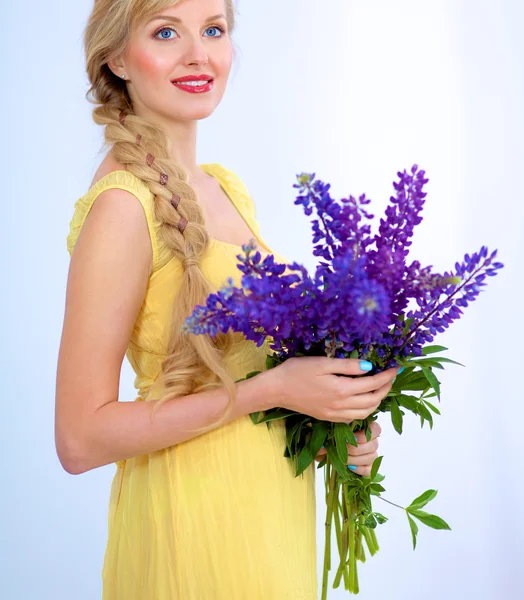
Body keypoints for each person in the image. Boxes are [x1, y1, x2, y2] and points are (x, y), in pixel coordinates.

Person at [55, 1, 399, 598]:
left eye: (213, 30)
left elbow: (256, 367)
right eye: (167, 32)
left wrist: (335, 417)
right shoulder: (122, 207)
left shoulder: (224, 188)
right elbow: (79, 439)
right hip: (192, 524)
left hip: (270, 511)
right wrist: (274, 390)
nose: (199, 54)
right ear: (115, 59)